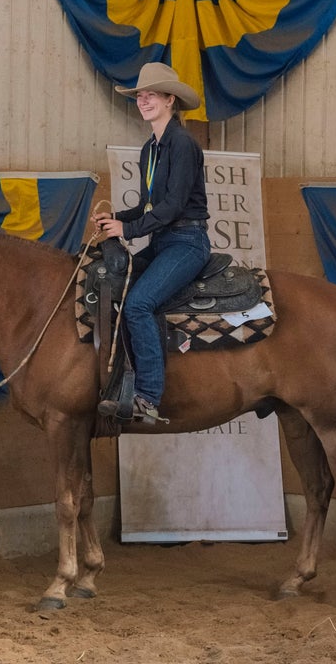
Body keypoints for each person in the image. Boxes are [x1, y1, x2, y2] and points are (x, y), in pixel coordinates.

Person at [94, 62, 211, 423]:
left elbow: (175, 206)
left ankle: (147, 397)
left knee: (139, 304)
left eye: (150, 96)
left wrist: (126, 232)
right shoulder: (151, 149)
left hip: (187, 241)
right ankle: (119, 384)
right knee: (115, 288)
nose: (143, 101)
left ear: (169, 100)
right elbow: (150, 206)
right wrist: (117, 218)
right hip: (163, 241)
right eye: (140, 97)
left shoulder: (183, 144)